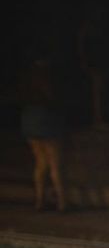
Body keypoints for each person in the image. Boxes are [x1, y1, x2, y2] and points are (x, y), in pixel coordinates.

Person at [19, 56, 67, 212]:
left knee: (40, 163)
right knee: (54, 164)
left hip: (29, 121)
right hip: (46, 122)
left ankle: (39, 201)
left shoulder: (27, 83)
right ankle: (61, 202)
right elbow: (51, 99)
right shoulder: (47, 81)